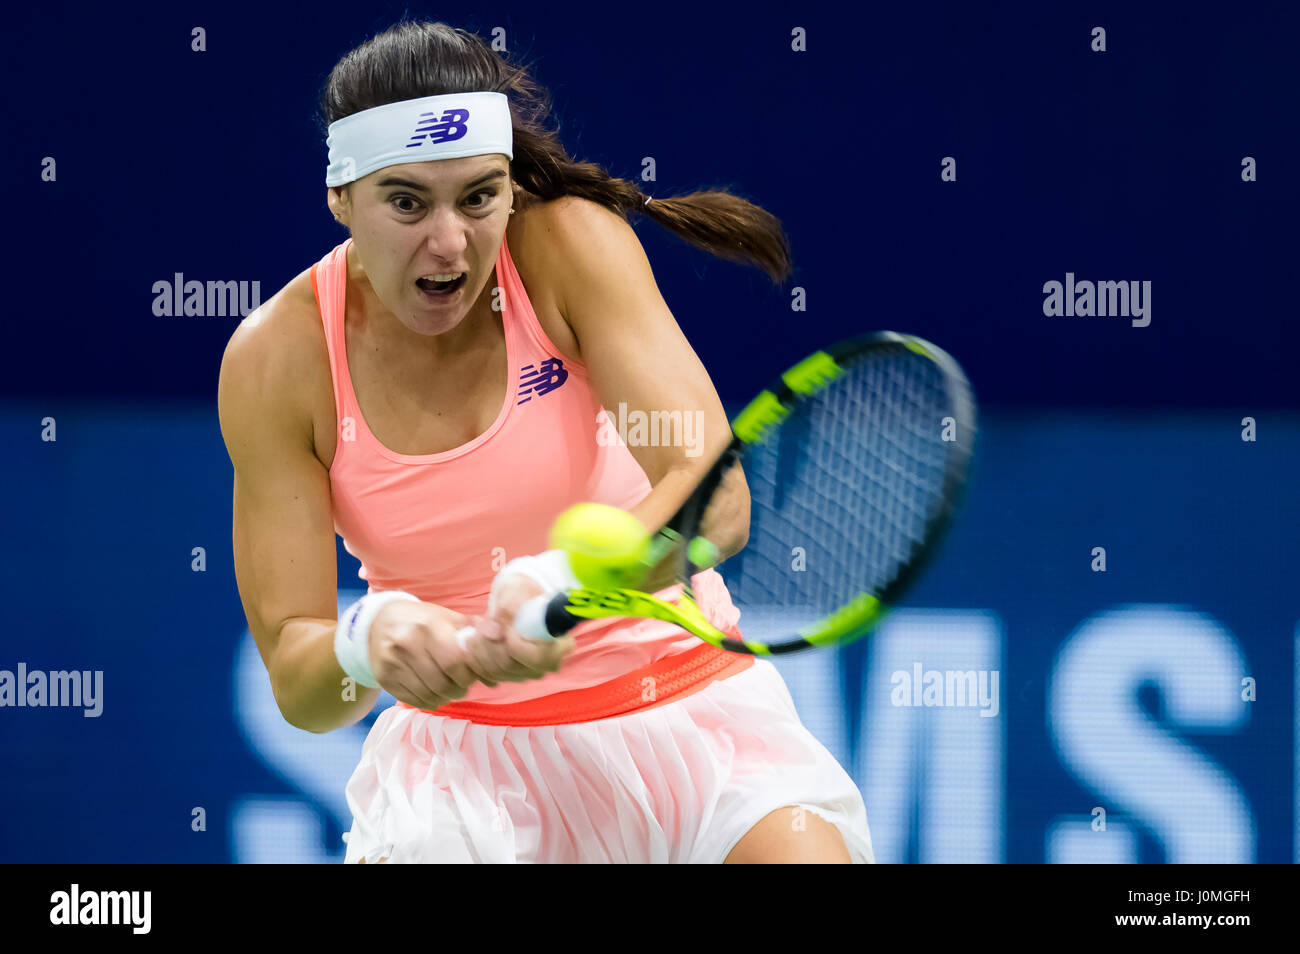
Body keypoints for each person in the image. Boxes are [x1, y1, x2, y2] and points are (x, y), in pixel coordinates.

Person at [218, 18, 873, 863]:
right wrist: (366, 640)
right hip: (461, 790)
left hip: (690, 716)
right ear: (342, 197)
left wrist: (573, 583)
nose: (449, 243)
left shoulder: (567, 246)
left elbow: (714, 496)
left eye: (478, 197)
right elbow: (301, 686)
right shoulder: (276, 361)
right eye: (407, 202)